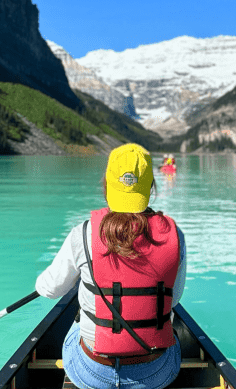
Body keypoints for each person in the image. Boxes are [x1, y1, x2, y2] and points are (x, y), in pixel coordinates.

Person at [36, 143, 186, 389]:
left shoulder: (82, 234)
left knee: (75, 322)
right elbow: (175, 299)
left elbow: (50, 289)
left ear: (107, 184)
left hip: (92, 372)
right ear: (150, 187)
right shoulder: (175, 235)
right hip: (154, 373)